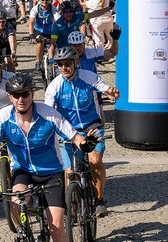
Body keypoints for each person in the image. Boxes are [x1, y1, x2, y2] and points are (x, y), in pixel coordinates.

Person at [0, 73, 95, 242]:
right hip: (22, 170)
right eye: (16, 95)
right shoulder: (3, 118)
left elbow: (75, 137)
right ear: (9, 96)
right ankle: (23, 233)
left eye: (25, 94)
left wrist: (86, 144)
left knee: (56, 228)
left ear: (32, 93)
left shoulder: (48, 114)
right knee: (17, 204)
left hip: (51, 173)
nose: (21, 99)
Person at [45, 47, 119, 217]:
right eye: (60, 64)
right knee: (69, 172)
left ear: (76, 63)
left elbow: (105, 88)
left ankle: (99, 201)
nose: (64, 67)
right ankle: (72, 204)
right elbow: (48, 112)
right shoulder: (54, 86)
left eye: (67, 63)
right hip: (68, 132)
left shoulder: (88, 76)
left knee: (95, 160)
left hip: (91, 127)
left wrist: (112, 93)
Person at [28, 0, 58, 71]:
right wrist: (31, 34)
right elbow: (31, 22)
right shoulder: (35, 9)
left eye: (46, 0)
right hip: (39, 30)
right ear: (39, 0)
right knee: (39, 40)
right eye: (42, 0)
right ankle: (38, 61)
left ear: (49, 0)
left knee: (54, 44)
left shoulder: (53, 8)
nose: (44, 1)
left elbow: (58, 21)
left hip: (50, 31)